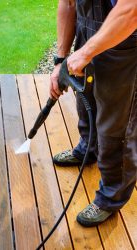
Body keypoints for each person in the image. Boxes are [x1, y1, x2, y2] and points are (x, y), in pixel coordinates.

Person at [50, 0, 137, 226]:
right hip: (87, 32)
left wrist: (84, 53)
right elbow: (68, 3)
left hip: (125, 42)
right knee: (86, 98)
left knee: (117, 124)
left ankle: (111, 196)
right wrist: (61, 60)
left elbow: (131, 11)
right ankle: (88, 148)